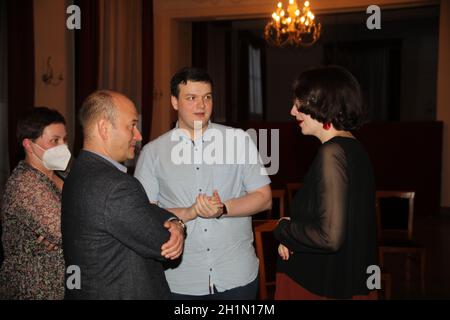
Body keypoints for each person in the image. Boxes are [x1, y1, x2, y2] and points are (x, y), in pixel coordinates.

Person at [134, 67, 272, 299]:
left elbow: (264, 198)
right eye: (191, 98)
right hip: (181, 280)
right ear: (174, 102)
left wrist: (223, 209)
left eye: (207, 97)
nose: (201, 105)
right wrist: (188, 212)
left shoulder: (239, 141)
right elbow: (143, 213)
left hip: (237, 275)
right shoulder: (152, 152)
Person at [61, 90, 185, 300]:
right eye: (132, 125)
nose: (138, 136)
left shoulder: (78, 172)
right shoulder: (115, 186)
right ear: (104, 128)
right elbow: (163, 244)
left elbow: (141, 211)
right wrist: (179, 226)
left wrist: (169, 218)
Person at [274, 65, 378, 300]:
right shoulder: (354, 147)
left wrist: (283, 229)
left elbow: (329, 237)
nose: (292, 111)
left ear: (323, 104)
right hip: (346, 281)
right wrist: (294, 236)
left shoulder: (332, 153)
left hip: (321, 286)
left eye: (299, 104)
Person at [0, 107, 70, 299]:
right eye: (54, 141)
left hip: (64, 285)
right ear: (29, 145)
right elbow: (65, 232)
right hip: (32, 289)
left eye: (64, 140)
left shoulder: (63, 175)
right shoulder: (25, 184)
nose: (63, 147)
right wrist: (64, 234)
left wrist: (61, 236)